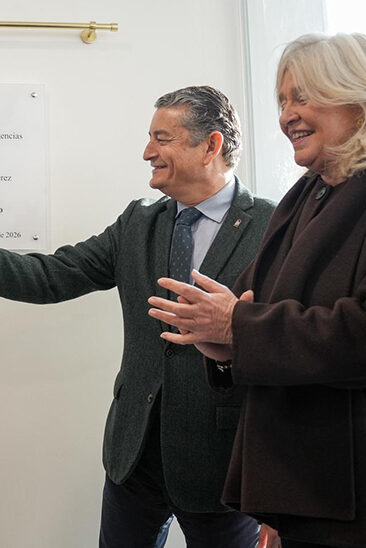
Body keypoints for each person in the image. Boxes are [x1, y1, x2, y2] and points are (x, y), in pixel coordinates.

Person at [0, 86, 278, 547]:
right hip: (134, 455)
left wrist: (280, 498)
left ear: (210, 145)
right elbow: (57, 274)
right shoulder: (139, 221)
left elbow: (283, 349)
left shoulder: (272, 227)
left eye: (162, 138)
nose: (147, 151)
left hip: (223, 464)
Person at [148, 33, 366, 548]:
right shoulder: (306, 195)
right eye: (283, 101)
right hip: (302, 488)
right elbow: (248, 308)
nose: (288, 114)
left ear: (355, 98)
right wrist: (220, 345)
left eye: (303, 96)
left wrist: (236, 328)